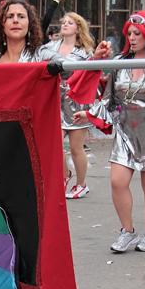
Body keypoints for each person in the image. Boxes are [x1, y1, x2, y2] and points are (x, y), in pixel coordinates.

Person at [74, 11, 145, 252]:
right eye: (129, 34)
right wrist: (89, 114)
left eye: (137, 34)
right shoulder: (121, 64)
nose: (132, 38)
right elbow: (111, 100)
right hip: (125, 132)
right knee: (117, 182)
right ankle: (128, 232)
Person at [45, 12, 99, 199]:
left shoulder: (85, 51)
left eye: (70, 22)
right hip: (54, 101)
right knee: (55, 145)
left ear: (78, 27)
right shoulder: (50, 47)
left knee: (76, 148)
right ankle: (65, 174)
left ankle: (81, 184)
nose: (65, 25)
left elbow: (91, 76)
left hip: (77, 103)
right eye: (64, 22)